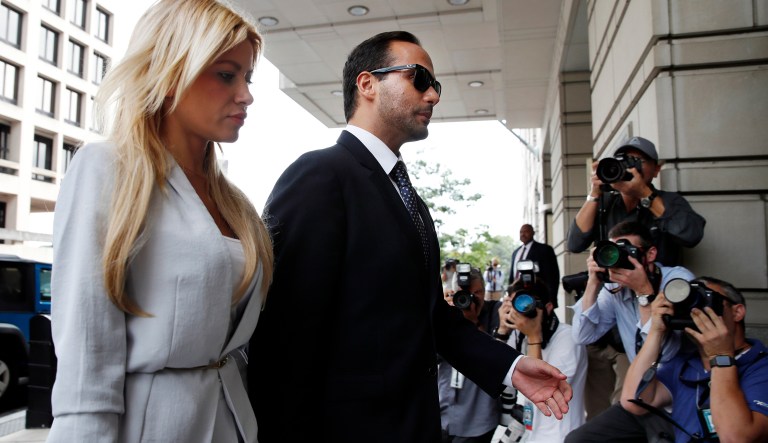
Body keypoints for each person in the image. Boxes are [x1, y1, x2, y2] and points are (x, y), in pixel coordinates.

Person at [248, 31, 572, 443]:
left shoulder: (410, 200)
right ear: (367, 84)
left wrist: (510, 367)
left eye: (436, 85)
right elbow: (283, 339)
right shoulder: (320, 176)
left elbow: (431, 316)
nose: (432, 95)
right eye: (419, 79)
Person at [47, 1, 272, 442]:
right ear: (170, 75)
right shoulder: (107, 169)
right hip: (151, 427)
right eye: (226, 74)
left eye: (247, 78)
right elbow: (87, 344)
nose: (245, 95)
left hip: (232, 422)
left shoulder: (235, 203)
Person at [566, 221, 695, 442]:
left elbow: (665, 355)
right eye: (613, 252)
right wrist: (593, 282)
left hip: (677, 392)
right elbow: (583, 335)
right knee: (578, 439)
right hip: (641, 391)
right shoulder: (614, 288)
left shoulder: (677, 282)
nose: (619, 259)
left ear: (650, 254)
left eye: (627, 251)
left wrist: (643, 292)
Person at [620, 277, 768, 442]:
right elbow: (634, 401)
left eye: (708, 300)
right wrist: (656, 330)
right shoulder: (684, 364)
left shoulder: (762, 366)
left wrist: (720, 357)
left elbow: (736, 438)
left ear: (737, 312)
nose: (697, 311)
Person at [567, 136, 706, 267]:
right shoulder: (604, 202)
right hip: (612, 282)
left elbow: (691, 236)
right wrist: (594, 193)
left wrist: (644, 194)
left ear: (656, 169)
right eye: (624, 161)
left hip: (657, 282)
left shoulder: (668, 201)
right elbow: (574, 244)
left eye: (637, 160)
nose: (630, 167)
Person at [497, 277, 587, 442]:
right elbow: (496, 368)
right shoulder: (520, 334)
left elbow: (543, 387)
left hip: (559, 436)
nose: (523, 312)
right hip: (530, 433)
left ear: (548, 307)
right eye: (518, 305)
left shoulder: (568, 337)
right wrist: (503, 329)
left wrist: (533, 336)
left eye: (529, 305)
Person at [439, 268, 502, 443]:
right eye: (464, 294)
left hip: (478, 417)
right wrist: (440, 315)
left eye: (477, 292)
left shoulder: (495, 312)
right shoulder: (446, 312)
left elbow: (495, 358)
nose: (471, 299)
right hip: (444, 410)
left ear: (485, 290)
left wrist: (472, 323)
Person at [508, 224, 560, 307]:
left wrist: (551, 300)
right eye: (521, 232)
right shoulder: (515, 253)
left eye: (526, 231)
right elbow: (512, 276)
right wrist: (510, 294)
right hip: (517, 297)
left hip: (538, 298)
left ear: (533, 233)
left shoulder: (545, 250)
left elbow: (553, 277)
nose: (523, 234)